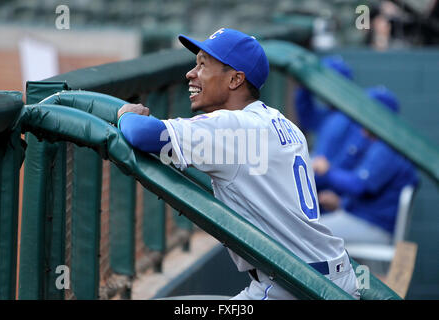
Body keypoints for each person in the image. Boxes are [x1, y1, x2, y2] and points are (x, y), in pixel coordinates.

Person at [117, 28, 359, 300]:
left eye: (203, 65)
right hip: (334, 275)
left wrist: (124, 113)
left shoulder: (234, 127)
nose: (191, 73)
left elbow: (141, 133)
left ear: (235, 79)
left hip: (294, 285)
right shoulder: (283, 123)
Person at [314, 86, 418, 245]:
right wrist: (341, 204)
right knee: (310, 228)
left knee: (309, 233)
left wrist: (328, 171)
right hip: (366, 219)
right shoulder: (381, 143)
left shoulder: (387, 148)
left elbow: (359, 185)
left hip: (375, 227)